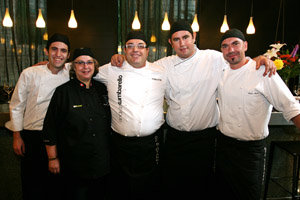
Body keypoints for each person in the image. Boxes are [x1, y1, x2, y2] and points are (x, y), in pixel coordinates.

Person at [110, 20, 276, 199]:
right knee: (173, 187)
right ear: (170, 43)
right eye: (176, 39)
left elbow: (237, 59)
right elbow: (140, 66)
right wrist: (121, 58)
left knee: (202, 188)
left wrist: (258, 60)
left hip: (205, 139)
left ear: (194, 37)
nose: (182, 43)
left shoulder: (213, 58)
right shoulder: (163, 65)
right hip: (175, 139)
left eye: (186, 37)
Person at [216, 28, 300, 200]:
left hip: (251, 151)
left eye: (235, 44)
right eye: (225, 46)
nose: (231, 49)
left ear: (245, 45)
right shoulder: (221, 72)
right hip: (224, 148)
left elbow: (290, 106)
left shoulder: (263, 71)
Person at [94, 31, 166, 200]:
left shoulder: (161, 71)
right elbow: (83, 68)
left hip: (152, 142)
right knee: (121, 187)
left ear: (148, 51)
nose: (136, 50)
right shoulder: (111, 69)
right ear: (124, 50)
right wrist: (51, 65)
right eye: (130, 46)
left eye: (140, 46)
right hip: (120, 142)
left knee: (150, 186)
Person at [5, 33, 71, 200]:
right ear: (46, 51)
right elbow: (17, 105)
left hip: (59, 138)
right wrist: (17, 136)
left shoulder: (71, 71)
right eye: (54, 49)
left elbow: (92, 65)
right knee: (33, 184)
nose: (58, 54)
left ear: (68, 55)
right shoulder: (29, 73)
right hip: (33, 135)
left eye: (63, 51)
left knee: (58, 186)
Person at [42, 48, 111, 200]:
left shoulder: (103, 89)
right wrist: (52, 158)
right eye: (80, 63)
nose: (85, 67)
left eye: (89, 63)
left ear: (95, 65)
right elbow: (50, 127)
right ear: (73, 67)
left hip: (102, 164)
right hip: (74, 165)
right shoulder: (63, 92)